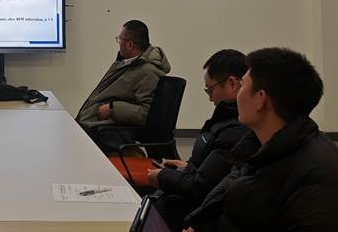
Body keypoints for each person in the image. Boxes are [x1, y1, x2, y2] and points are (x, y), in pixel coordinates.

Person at [184, 48, 338, 232]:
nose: (238, 93)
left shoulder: (315, 172)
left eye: (242, 85)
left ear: (260, 99)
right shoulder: (256, 145)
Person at [146, 49, 248, 231]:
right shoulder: (224, 120)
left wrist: (162, 177)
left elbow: (200, 187)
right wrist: (188, 167)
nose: (210, 98)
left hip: (190, 212)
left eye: (210, 90)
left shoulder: (235, 130)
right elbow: (212, 170)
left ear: (232, 84)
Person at [76, 20, 171, 152]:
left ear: (130, 44)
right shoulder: (125, 63)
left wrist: (113, 108)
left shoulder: (149, 72)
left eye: (120, 39)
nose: (119, 43)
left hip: (106, 131)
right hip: (94, 124)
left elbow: (146, 113)